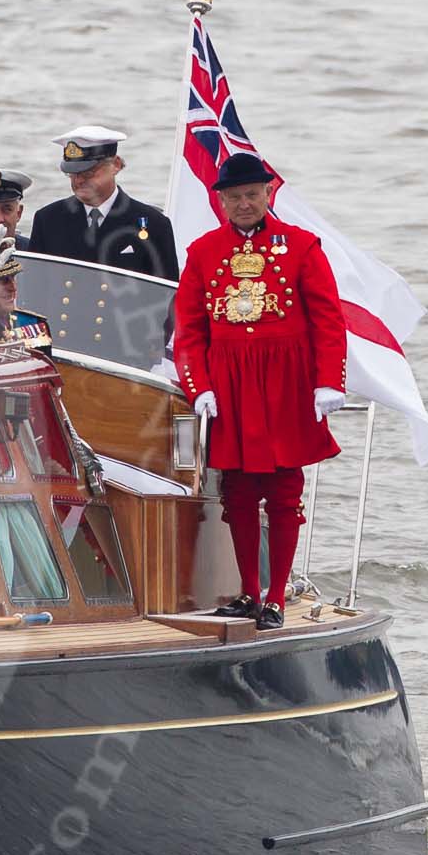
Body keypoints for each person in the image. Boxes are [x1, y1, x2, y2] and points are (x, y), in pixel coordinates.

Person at [173, 152, 346, 631]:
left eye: (252, 194)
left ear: (268, 194)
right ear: (222, 201)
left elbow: (329, 321)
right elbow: (189, 331)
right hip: (230, 386)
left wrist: (329, 379)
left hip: (286, 385)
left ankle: (276, 595)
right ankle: (249, 591)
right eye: (234, 197)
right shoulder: (203, 252)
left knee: (284, 491)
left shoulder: (303, 247)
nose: (244, 204)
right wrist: (199, 387)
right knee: (239, 493)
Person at [26, 126, 179, 280]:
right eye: (72, 174)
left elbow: (166, 295)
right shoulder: (48, 220)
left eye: (88, 172)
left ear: (116, 165)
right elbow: (35, 286)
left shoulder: (154, 224)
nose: (79, 180)